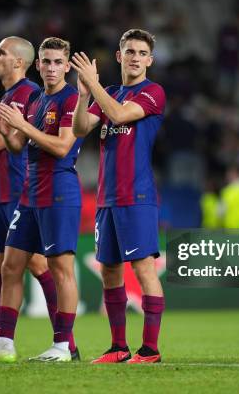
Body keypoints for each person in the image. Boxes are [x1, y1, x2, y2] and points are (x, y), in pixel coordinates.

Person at [0, 37, 82, 363]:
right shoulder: (37, 102)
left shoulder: (71, 98)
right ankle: (4, 342)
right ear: (38, 65)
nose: (50, 67)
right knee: (10, 265)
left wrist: (20, 126)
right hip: (30, 194)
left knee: (60, 268)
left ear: (66, 66)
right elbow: (17, 147)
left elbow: (62, 147)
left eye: (57, 62)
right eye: (46, 62)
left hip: (59, 191)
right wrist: (6, 131)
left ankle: (63, 346)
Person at [71, 29, 166, 363]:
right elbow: (81, 129)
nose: (135, 57)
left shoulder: (153, 92)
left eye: (142, 53)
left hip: (136, 197)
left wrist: (94, 86)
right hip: (106, 198)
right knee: (110, 271)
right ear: (119, 56)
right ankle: (118, 347)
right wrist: (84, 94)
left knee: (143, 270)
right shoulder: (108, 91)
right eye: (130, 51)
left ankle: (150, 349)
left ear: (149, 60)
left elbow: (121, 114)